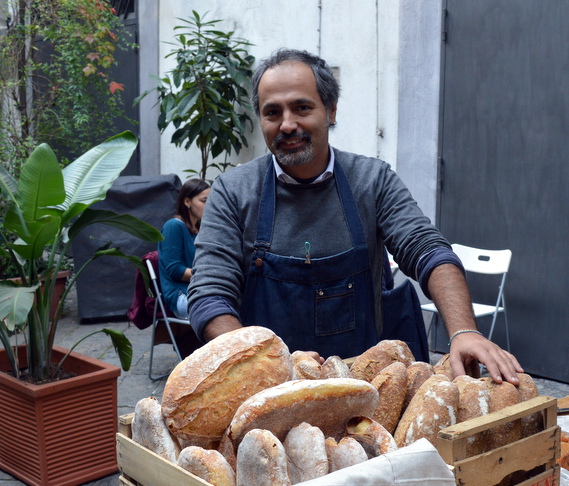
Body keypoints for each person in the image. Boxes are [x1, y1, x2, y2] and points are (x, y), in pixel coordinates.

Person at [187, 48, 522, 383]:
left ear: (331, 111)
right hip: (264, 390)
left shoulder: (372, 181)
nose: (287, 124)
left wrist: (464, 330)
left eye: (302, 108)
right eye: (272, 112)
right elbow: (208, 297)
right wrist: (270, 362)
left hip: (363, 391)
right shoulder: (233, 192)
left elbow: (428, 251)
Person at [158, 178, 209, 319]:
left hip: (204, 291)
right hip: (182, 295)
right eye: (204, 201)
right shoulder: (173, 226)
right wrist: (210, 276)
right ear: (187, 202)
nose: (209, 205)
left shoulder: (201, 230)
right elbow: (175, 270)